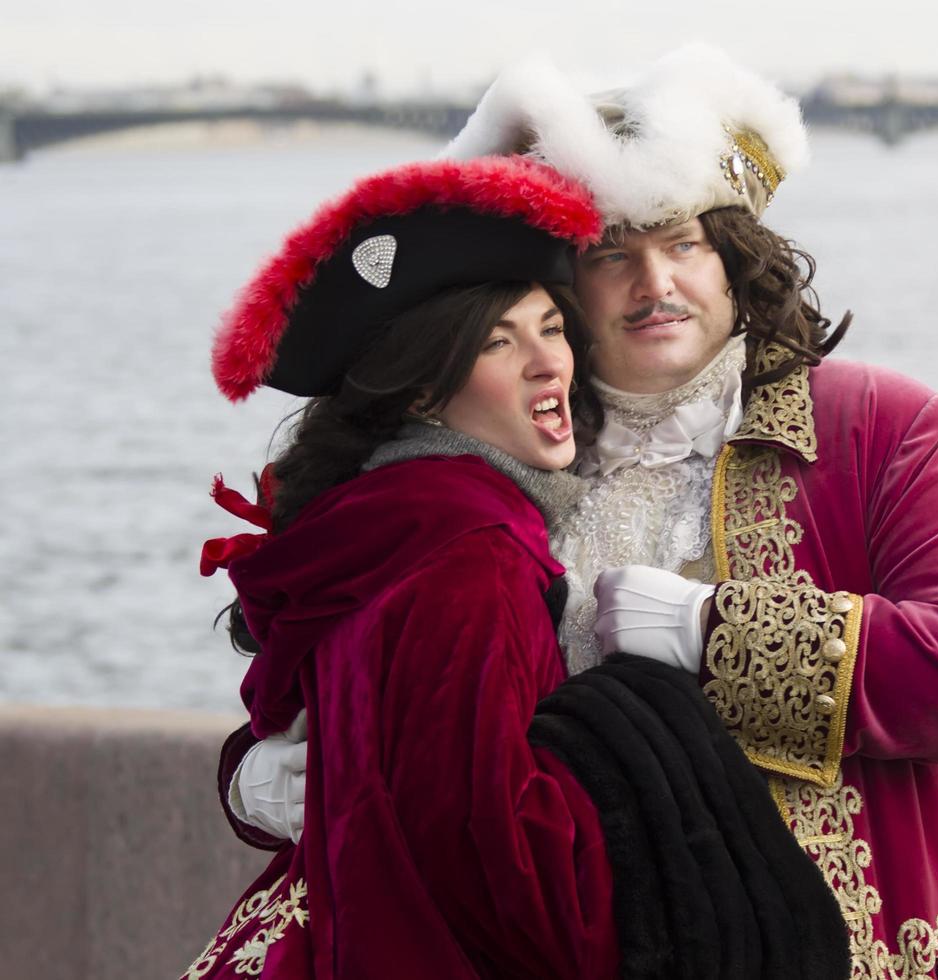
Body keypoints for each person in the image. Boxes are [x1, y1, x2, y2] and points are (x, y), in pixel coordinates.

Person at [234, 45, 938, 978]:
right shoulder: (494, 464)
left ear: (734, 259)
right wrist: (255, 778)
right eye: (611, 254)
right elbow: (390, 687)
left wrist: (711, 631)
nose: (655, 283)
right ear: (556, 290)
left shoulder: (878, 425)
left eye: (683, 243)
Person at [186, 154, 847, 979]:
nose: (549, 364)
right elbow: (498, 859)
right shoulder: (471, 555)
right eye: (500, 343)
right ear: (424, 392)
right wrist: (646, 738)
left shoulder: (379, 526)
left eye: (551, 327)